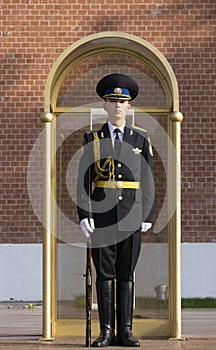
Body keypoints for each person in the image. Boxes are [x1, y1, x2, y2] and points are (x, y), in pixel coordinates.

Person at [77, 73, 154, 347]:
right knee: (105, 273)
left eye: (123, 101)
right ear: (105, 106)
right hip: (102, 217)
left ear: (129, 107)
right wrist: (84, 214)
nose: (118, 106)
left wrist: (147, 215)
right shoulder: (93, 139)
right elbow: (84, 180)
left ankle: (126, 332)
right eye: (112, 101)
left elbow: (148, 180)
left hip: (131, 216)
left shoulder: (140, 140)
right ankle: (107, 331)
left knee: (126, 273)